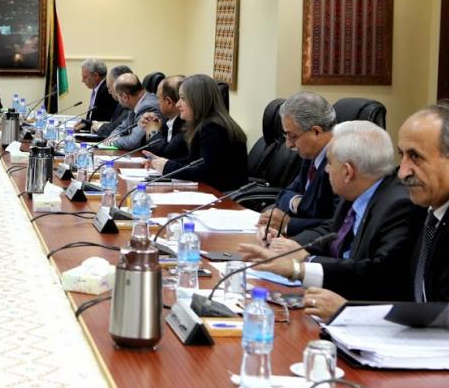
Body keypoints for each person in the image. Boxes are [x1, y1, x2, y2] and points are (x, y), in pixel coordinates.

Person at [303, 102, 449, 337]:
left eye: (416, 157)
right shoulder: (432, 204)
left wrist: (348, 312)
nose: (402, 172)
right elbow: (394, 280)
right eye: (402, 155)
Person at [237, 121, 417, 297]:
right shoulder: (358, 190)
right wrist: (289, 246)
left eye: (329, 163)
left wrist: (304, 264)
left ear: (347, 172)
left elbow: (378, 275)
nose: (326, 170)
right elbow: (332, 230)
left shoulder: (397, 205)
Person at [146, 74, 248, 191]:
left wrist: (167, 166)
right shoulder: (203, 124)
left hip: (224, 196)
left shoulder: (213, 128)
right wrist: (161, 162)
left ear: (197, 100)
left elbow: (206, 172)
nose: (178, 104)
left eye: (182, 98)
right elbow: (192, 161)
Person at [258, 92, 337, 236]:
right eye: (286, 135)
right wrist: (297, 202)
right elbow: (284, 194)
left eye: (292, 136)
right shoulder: (311, 155)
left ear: (316, 132)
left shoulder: (339, 164)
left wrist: (289, 224)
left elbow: (338, 224)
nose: (288, 144)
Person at [105, 73, 160, 150]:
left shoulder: (148, 106)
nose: (118, 101)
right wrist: (112, 138)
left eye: (118, 97)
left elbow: (133, 142)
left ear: (125, 97)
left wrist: (112, 142)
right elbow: (121, 128)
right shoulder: (136, 104)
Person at [140, 75, 188, 160]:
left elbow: (166, 155)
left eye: (158, 98)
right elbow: (146, 150)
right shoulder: (166, 120)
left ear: (168, 102)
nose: (157, 102)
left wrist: (153, 132)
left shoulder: (187, 123)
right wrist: (149, 127)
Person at [91, 65, 133, 138]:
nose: (109, 91)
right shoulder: (120, 103)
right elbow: (114, 123)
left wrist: (98, 126)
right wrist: (90, 124)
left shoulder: (129, 103)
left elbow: (114, 130)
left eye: (109, 86)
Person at [76, 58, 117, 130]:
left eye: (85, 77)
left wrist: (87, 125)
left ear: (96, 76)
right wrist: (86, 123)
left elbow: (105, 120)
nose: (82, 80)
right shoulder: (99, 89)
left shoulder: (106, 91)